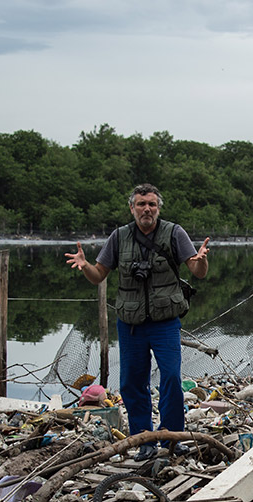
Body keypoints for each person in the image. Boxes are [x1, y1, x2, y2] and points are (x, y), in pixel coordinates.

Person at [66, 184, 209, 460]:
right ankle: (144, 439)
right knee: (132, 382)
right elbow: (99, 275)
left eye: (152, 204)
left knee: (170, 377)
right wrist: (85, 266)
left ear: (158, 208)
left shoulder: (174, 233)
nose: (147, 209)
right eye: (141, 204)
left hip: (166, 322)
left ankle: (171, 437)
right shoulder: (119, 237)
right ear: (132, 208)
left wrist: (201, 260)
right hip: (130, 325)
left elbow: (197, 271)